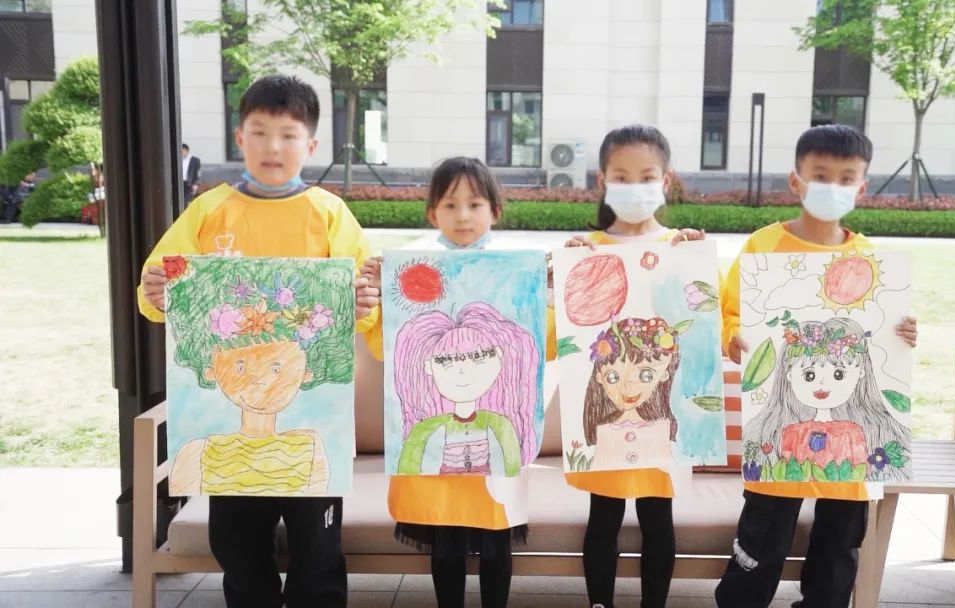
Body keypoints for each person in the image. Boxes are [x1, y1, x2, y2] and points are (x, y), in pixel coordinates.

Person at [138, 74, 381, 608]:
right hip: (228, 421)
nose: (274, 146)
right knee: (238, 545)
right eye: (260, 132)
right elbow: (160, 292)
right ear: (239, 137)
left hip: (314, 418)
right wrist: (157, 291)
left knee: (318, 550)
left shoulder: (328, 213)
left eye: (289, 135)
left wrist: (366, 305)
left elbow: (364, 303)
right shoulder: (209, 210)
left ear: (311, 145)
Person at [714, 124, 918, 608]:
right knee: (762, 537)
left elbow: (880, 334)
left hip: (851, 439)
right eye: (821, 175)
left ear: (862, 187)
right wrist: (734, 335)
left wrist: (903, 333)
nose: (834, 187)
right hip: (779, 428)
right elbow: (729, 311)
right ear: (797, 181)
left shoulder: (868, 256)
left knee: (839, 547)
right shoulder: (764, 247)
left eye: (847, 178)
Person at [356, 156, 555, 608]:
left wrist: (546, 293)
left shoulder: (517, 274)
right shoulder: (410, 274)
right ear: (433, 213)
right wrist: (378, 294)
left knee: (496, 539)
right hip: (437, 443)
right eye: (450, 204)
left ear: (495, 211)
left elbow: (542, 345)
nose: (463, 215)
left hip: (494, 438)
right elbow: (386, 347)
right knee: (444, 543)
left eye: (475, 204)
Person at [561, 124, 706, 608]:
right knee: (602, 517)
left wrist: (695, 265)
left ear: (667, 180)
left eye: (646, 176)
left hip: (658, 418)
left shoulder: (683, 248)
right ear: (602, 180)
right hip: (609, 415)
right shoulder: (586, 250)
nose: (635, 187)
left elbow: (703, 328)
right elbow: (563, 337)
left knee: (657, 518)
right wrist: (560, 278)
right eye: (622, 177)